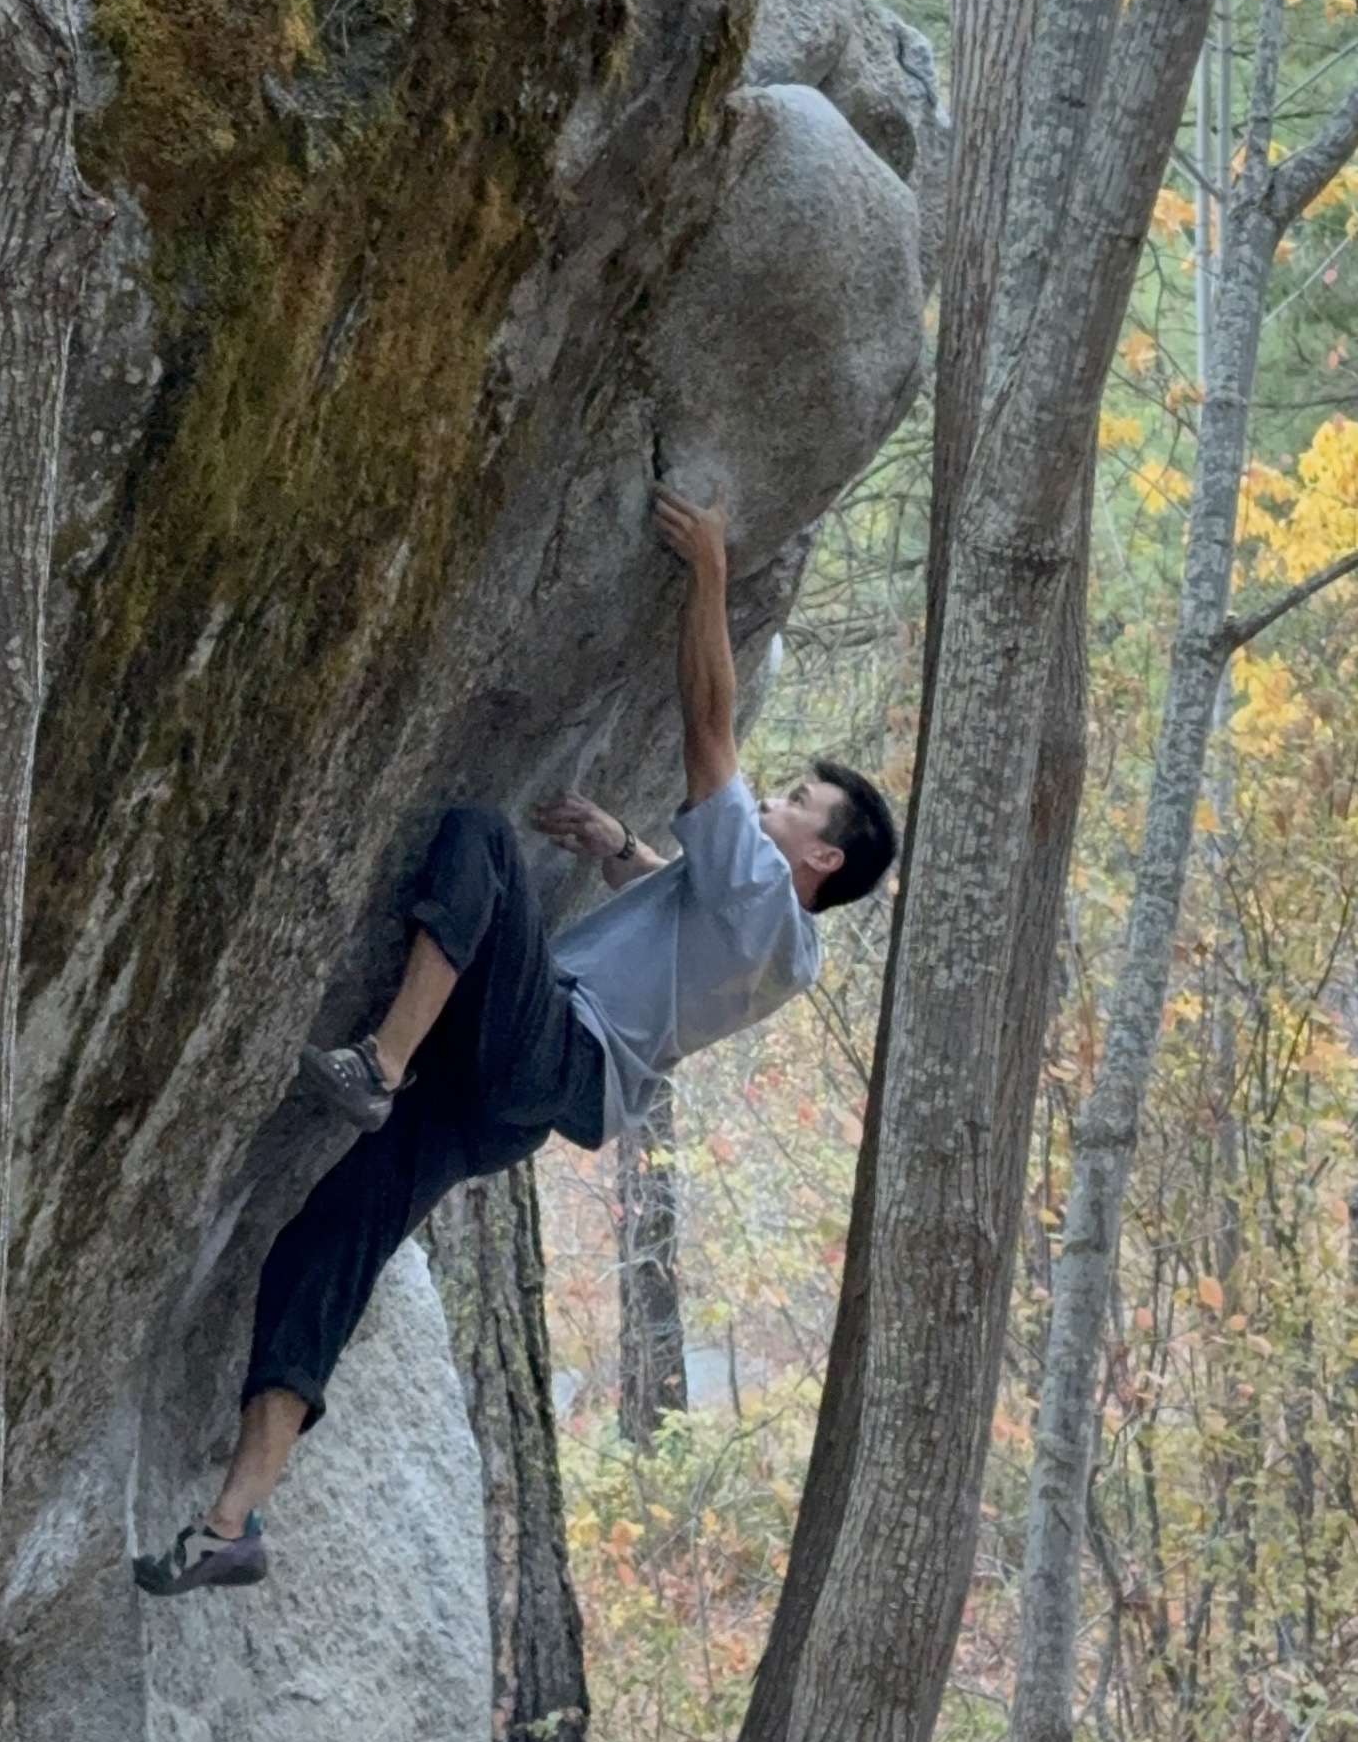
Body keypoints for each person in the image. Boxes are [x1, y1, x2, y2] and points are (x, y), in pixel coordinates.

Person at [134, 484, 897, 1595]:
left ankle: (379, 1063)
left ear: (820, 858)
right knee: (327, 1240)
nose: (771, 802)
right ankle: (233, 1518)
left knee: (479, 842)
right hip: (518, 1102)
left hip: (552, 1055)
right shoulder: (777, 945)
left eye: (793, 802)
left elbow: (705, 730)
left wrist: (710, 573)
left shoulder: (771, 902)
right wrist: (622, 846)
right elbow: (684, 918)